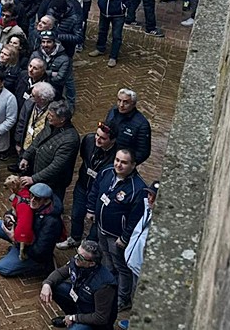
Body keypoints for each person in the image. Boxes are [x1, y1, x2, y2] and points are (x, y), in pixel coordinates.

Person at [86, 148, 147, 312]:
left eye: (124, 162)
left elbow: (136, 218)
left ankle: (122, 299)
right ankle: (109, 290)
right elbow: (95, 190)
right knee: (107, 261)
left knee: (121, 267)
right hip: (101, 229)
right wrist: (91, 209)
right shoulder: (106, 172)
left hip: (117, 237)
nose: (119, 164)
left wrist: (125, 237)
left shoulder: (138, 189)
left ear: (133, 165)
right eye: (117, 160)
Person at [59, 122, 119, 250]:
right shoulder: (88, 140)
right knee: (76, 214)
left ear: (113, 140)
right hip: (83, 185)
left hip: (100, 193)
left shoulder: (116, 156)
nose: (98, 139)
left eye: (103, 138)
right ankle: (75, 238)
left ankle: (89, 246)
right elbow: (84, 156)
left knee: (96, 220)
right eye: (97, 135)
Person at [0, 182, 63, 277]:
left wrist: (14, 238)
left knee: (2, 268)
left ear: (46, 201)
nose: (32, 200)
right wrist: (9, 217)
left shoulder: (52, 223)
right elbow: (13, 210)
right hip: (21, 237)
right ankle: (17, 250)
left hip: (33, 252)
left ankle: (39, 266)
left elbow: (39, 252)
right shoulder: (30, 201)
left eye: (37, 198)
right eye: (32, 195)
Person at [39, 239, 118, 330]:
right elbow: (60, 273)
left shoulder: (104, 285)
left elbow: (100, 318)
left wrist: (74, 318)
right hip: (81, 302)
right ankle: (70, 317)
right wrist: (47, 284)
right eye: (77, 253)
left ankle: (73, 320)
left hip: (95, 322)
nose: (76, 257)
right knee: (55, 286)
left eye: (80, 257)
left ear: (92, 263)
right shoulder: (78, 262)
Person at [16, 99, 79, 204]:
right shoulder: (50, 124)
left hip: (54, 183)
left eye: (51, 115)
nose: (48, 116)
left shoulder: (70, 139)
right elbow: (38, 139)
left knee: (50, 207)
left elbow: (56, 166)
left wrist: (34, 179)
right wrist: (26, 156)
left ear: (62, 119)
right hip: (39, 174)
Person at [122, 181, 159, 322]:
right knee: (134, 294)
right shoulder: (146, 208)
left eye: (155, 196)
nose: (150, 199)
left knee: (140, 298)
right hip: (134, 262)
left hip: (142, 268)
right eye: (149, 194)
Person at [89, 0, 136, 68]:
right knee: (102, 31)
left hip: (118, 15)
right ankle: (100, 48)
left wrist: (123, 7)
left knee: (116, 35)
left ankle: (113, 56)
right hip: (104, 12)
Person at [103, 88, 152, 165]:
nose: (121, 105)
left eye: (126, 102)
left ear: (133, 104)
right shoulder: (113, 112)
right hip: (105, 158)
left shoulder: (142, 125)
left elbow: (143, 152)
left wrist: (125, 164)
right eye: (119, 100)